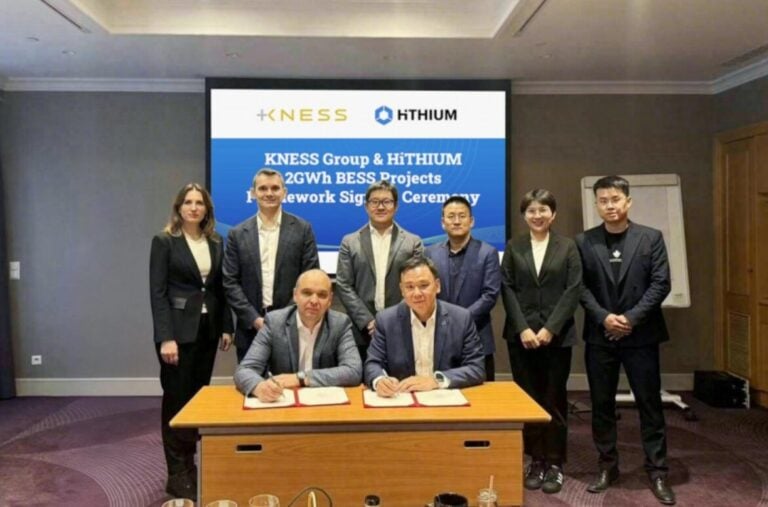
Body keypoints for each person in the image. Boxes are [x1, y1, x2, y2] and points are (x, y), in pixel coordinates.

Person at [576, 175, 675, 505]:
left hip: (641, 335)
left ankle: (658, 471)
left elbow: (660, 284)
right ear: (596, 205)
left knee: (649, 405)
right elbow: (580, 287)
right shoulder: (584, 241)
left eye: (615, 199)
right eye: (603, 200)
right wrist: (605, 317)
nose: (610, 206)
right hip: (600, 335)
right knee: (601, 405)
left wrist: (630, 319)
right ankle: (607, 466)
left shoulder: (651, 237)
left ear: (628, 201)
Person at [149, 183, 233, 501]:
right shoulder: (164, 241)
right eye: (188, 202)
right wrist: (165, 337)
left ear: (207, 209)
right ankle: (177, 473)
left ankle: (192, 465)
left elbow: (220, 289)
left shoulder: (216, 241)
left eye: (199, 203)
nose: (194, 207)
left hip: (207, 332)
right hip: (177, 335)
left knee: (196, 401)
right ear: (179, 208)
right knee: (176, 400)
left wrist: (226, 327)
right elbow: (158, 293)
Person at [501, 189, 582, 495]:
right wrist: (522, 328)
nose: (537, 216)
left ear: (553, 214)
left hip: (556, 338)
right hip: (521, 337)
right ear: (524, 215)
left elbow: (573, 289)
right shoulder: (514, 246)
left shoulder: (568, 247)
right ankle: (535, 460)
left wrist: (550, 328)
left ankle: (555, 462)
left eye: (543, 210)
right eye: (531, 211)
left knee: (554, 398)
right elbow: (507, 288)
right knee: (529, 399)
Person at [223, 168, 319, 362]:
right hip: (250, 330)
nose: (269, 193)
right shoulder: (237, 233)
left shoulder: (302, 229)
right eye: (263, 188)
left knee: (289, 381)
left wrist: (283, 319)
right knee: (251, 380)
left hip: (291, 327)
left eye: (275, 188)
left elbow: (310, 278)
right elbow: (230, 282)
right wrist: (253, 319)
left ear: (284, 192)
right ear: (253, 193)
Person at [364, 256, 485, 395]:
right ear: (402, 290)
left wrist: (436, 381)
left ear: (437, 286)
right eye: (409, 287)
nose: (417, 293)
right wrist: (380, 380)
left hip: (444, 397)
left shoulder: (461, 318)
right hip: (403, 397)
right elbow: (372, 364)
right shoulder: (386, 320)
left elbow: (476, 368)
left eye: (423, 285)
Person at [234, 269, 362, 400]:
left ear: (330, 300)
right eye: (307, 293)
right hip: (283, 400)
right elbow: (245, 370)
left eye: (322, 295)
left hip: (323, 401)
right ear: (295, 295)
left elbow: (354, 371)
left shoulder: (340, 324)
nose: (314, 300)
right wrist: (259, 387)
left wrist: (300, 378)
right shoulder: (275, 322)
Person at [336, 180, 423, 361]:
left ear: (396, 206)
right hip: (361, 330)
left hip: (402, 325)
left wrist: (391, 319)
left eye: (386, 202)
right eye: (375, 202)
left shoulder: (413, 242)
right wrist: (368, 321)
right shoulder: (350, 242)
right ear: (366, 206)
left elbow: (416, 285)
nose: (380, 207)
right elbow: (344, 285)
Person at [425, 195, 501, 380]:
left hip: (477, 336)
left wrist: (460, 321)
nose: (456, 221)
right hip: (439, 338)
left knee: (481, 394)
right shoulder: (430, 253)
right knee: (439, 390)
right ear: (443, 222)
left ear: (471, 221)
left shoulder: (487, 252)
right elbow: (427, 292)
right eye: (451, 216)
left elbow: (490, 295)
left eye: (462, 215)